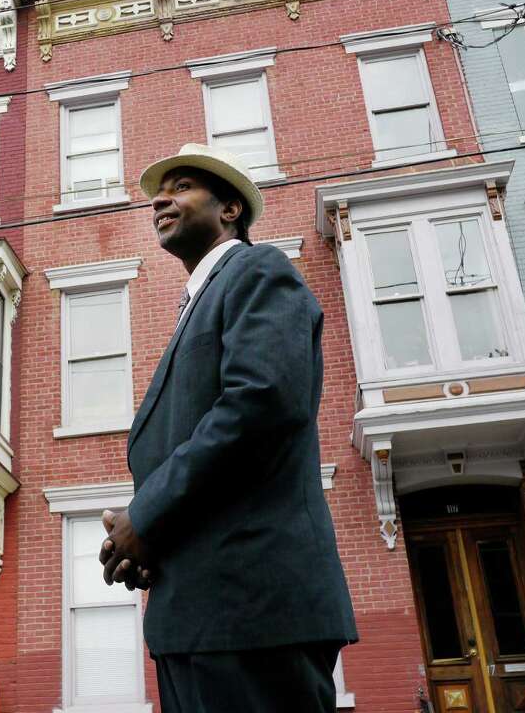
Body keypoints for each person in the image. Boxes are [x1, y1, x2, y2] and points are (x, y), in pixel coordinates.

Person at [98, 143, 358, 711]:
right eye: (160, 193)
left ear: (231, 209)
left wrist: (146, 516)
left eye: (183, 186)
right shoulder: (197, 303)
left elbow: (260, 404)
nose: (162, 199)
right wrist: (145, 543)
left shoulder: (258, 270)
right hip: (195, 620)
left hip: (252, 615)